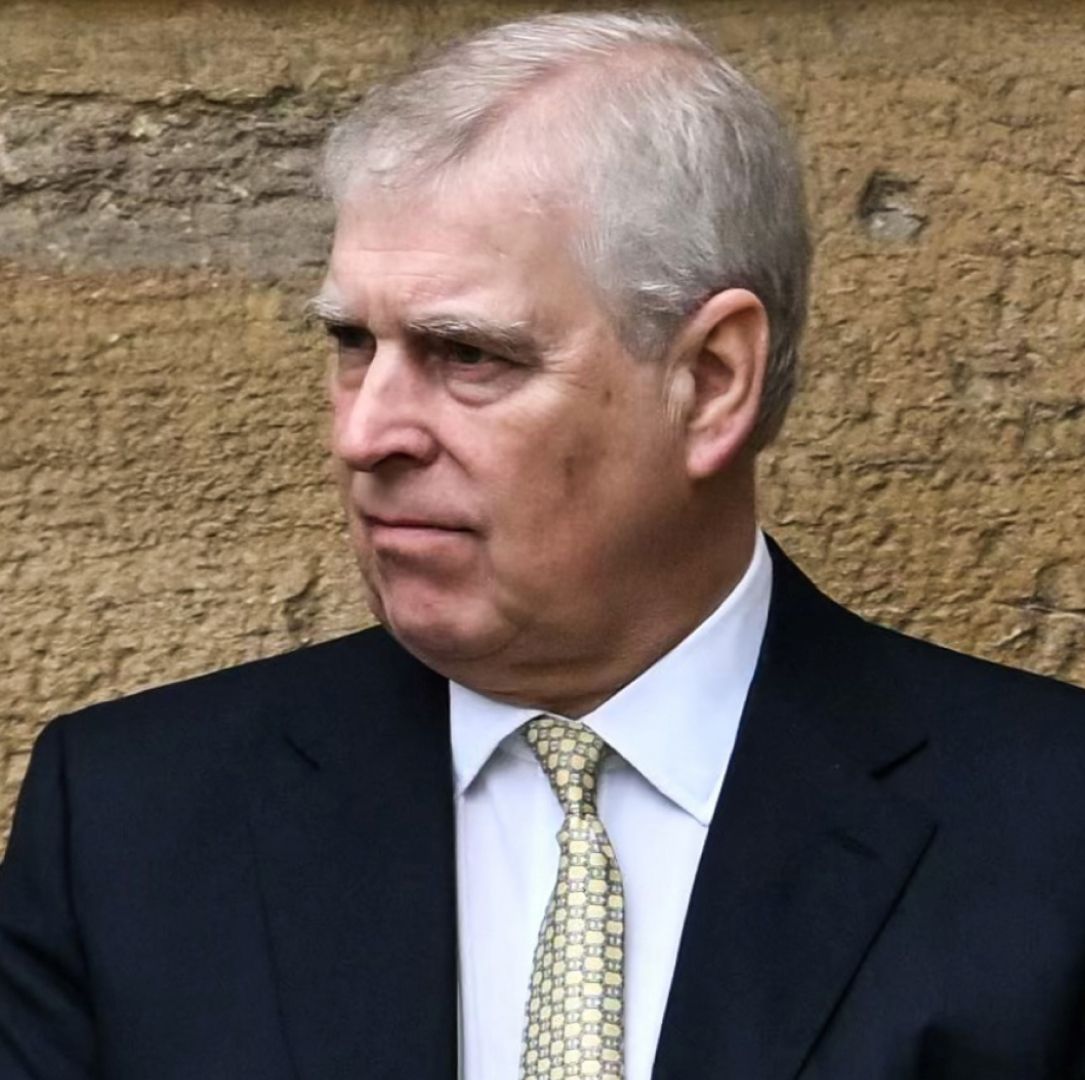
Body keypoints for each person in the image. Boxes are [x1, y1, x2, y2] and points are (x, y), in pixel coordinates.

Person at [1, 11, 1083, 1080]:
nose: (362, 431)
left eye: (466, 354)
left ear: (710, 382)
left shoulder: (1045, 830)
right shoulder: (130, 824)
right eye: (350, 343)